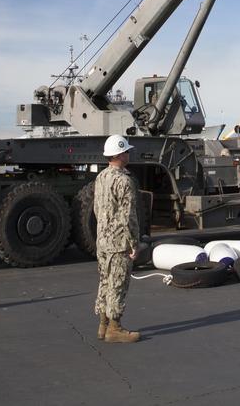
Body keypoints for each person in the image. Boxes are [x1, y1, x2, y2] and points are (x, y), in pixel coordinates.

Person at [93, 134, 141, 343]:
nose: (129, 154)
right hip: (119, 242)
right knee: (118, 284)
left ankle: (103, 325)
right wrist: (134, 243)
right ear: (120, 154)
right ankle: (115, 328)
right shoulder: (124, 181)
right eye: (127, 151)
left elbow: (96, 209)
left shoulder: (101, 177)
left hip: (102, 241)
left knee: (105, 282)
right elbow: (128, 216)